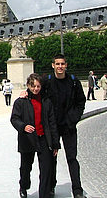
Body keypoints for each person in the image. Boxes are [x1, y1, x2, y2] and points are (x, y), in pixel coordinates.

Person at [27, 54, 86, 198]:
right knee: (51, 158)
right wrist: (26, 93)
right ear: (53, 65)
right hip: (51, 127)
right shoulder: (46, 81)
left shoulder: (74, 82)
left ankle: (77, 190)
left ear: (66, 65)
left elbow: (81, 102)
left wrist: (73, 119)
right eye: (57, 64)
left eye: (62, 64)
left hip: (68, 126)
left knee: (72, 158)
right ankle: (51, 186)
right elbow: (35, 89)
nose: (60, 67)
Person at [11, 74, 60, 198]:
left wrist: (55, 143)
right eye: (33, 86)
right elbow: (14, 118)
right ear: (28, 85)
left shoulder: (46, 101)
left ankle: (44, 193)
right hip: (28, 138)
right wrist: (23, 126)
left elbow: (52, 123)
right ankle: (23, 186)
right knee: (26, 167)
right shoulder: (20, 101)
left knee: (46, 168)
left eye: (38, 86)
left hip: (44, 138)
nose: (36, 89)